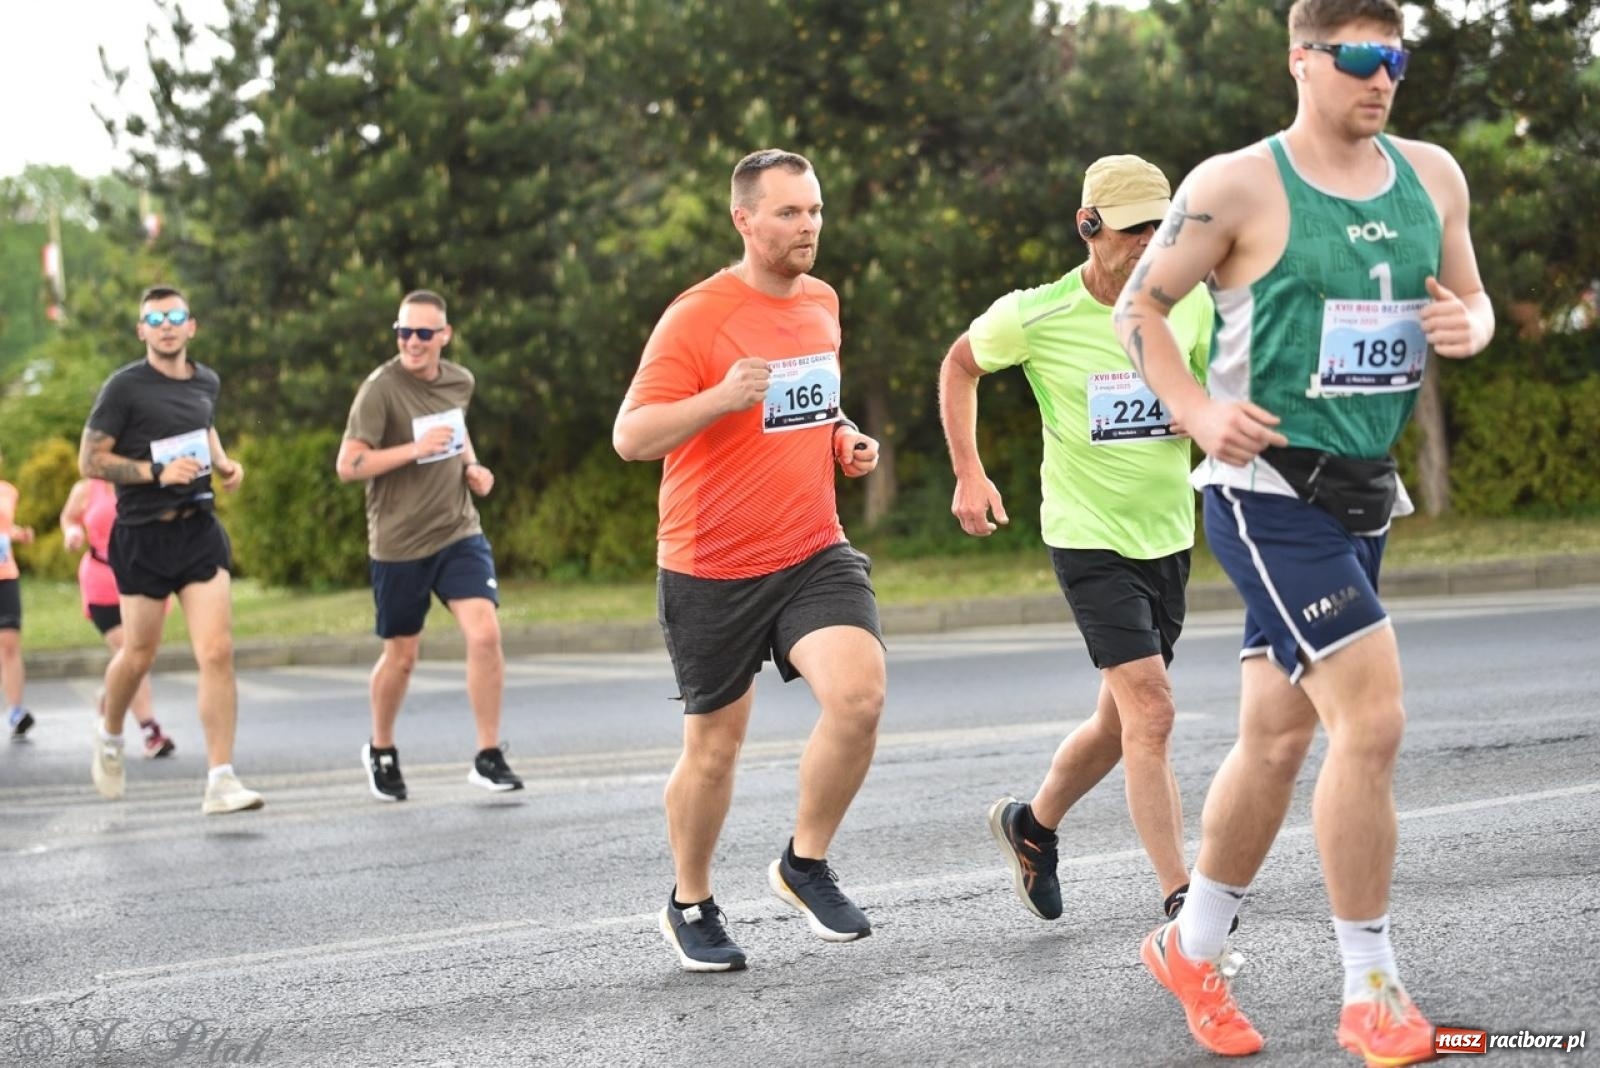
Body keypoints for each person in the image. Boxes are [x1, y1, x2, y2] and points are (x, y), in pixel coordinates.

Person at [1112, 1, 1493, 1063]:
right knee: (1369, 722)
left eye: (1397, 59)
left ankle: (1189, 947)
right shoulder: (1234, 185)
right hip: (1262, 491)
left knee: (1277, 738)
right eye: (1362, 57)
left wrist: (1475, 322)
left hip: (1363, 492)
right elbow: (1136, 311)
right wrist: (1195, 411)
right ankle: (1370, 987)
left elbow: (1471, 299)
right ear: (1301, 60)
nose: (1383, 78)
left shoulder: (1434, 175)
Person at [614, 148, 885, 972]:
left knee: (860, 696)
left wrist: (842, 438)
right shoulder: (697, 317)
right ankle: (689, 899)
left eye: (815, 212)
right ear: (745, 220)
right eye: (789, 214)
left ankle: (803, 864)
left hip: (811, 547)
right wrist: (720, 397)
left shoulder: (823, 303)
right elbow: (631, 437)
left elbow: (810, 398)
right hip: (711, 565)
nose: (807, 228)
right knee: (715, 748)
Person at [938, 155, 1214, 928]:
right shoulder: (1038, 314)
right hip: (1087, 538)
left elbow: (1217, 388)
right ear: (1089, 227)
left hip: (1167, 534)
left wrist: (1207, 414)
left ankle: (1032, 826)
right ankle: (1181, 895)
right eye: (1135, 231)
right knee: (1152, 712)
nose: (1153, 244)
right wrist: (970, 471)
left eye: (1165, 227)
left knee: (1117, 723)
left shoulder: (1188, 302)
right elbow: (961, 365)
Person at [79, 285, 265, 815]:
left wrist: (224, 463)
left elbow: (201, 424)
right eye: (154, 318)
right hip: (140, 535)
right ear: (142, 330)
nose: (165, 325)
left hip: (198, 528)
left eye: (175, 315)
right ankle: (111, 734)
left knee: (218, 651)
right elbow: (90, 461)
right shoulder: (124, 389)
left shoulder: (206, 380)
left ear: (191, 326)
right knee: (138, 654)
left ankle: (221, 779)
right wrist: (155, 472)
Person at [335, 289, 521, 801]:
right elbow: (348, 465)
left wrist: (472, 469)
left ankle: (488, 754)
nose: (411, 343)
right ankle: (381, 748)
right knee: (402, 656)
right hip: (398, 543)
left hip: (458, 530)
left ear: (444, 336)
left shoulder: (460, 380)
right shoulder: (380, 390)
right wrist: (413, 450)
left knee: (484, 634)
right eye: (403, 332)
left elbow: (456, 433)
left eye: (422, 333)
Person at [60, 477, 175, 758]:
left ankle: (111, 694)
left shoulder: (145, 479)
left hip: (142, 574)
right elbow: (68, 517)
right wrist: (72, 532)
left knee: (141, 655)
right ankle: (151, 731)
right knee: (130, 650)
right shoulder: (86, 488)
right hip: (101, 579)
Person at [0, 456, 37, 740]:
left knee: (10, 643)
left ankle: (15, 711)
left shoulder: (8, 491)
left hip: (5, 575)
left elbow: (3, 528)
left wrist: (18, 533)